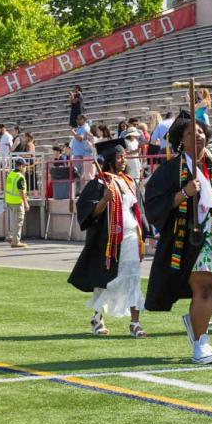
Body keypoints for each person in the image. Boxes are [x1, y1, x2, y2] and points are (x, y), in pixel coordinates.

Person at [144, 111, 212, 364]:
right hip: (188, 240)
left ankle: (195, 321)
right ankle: (201, 345)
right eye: (190, 133)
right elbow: (154, 204)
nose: (197, 136)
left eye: (200, 131)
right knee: (204, 288)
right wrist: (183, 193)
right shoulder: (170, 171)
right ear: (181, 139)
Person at [68, 139, 150, 338]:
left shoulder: (129, 182)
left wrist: (145, 232)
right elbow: (89, 212)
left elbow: (138, 210)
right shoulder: (99, 183)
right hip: (108, 240)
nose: (123, 160)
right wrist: (104, 200)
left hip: (131, 236)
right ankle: (97, 318)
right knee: (104, 280)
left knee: (132, 277)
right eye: (119, 157)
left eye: (124, 156)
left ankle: (135, 323)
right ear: (111, 159)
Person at [5, 157, 30, 248]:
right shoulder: (20, 177)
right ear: (20, 166)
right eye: (24, 166)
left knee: (14, 220)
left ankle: (11, 236)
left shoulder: (11, 174)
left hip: (9, 201)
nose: (25, 168)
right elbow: (21, 192)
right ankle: (15, 241)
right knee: (18, 221)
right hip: (17, 201)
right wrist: (26, 203)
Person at [70, 114, 92, 180]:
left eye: (80, 119)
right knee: (76, 176)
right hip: (77, 155)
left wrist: (73, 132)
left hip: (80, 155)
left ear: (84, 120)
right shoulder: (79, 128)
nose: (77, 120)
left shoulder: (85, 128)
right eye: (77, 119)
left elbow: (80, 139)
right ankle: (78, 190)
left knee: (79, 176)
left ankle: (80, 190)